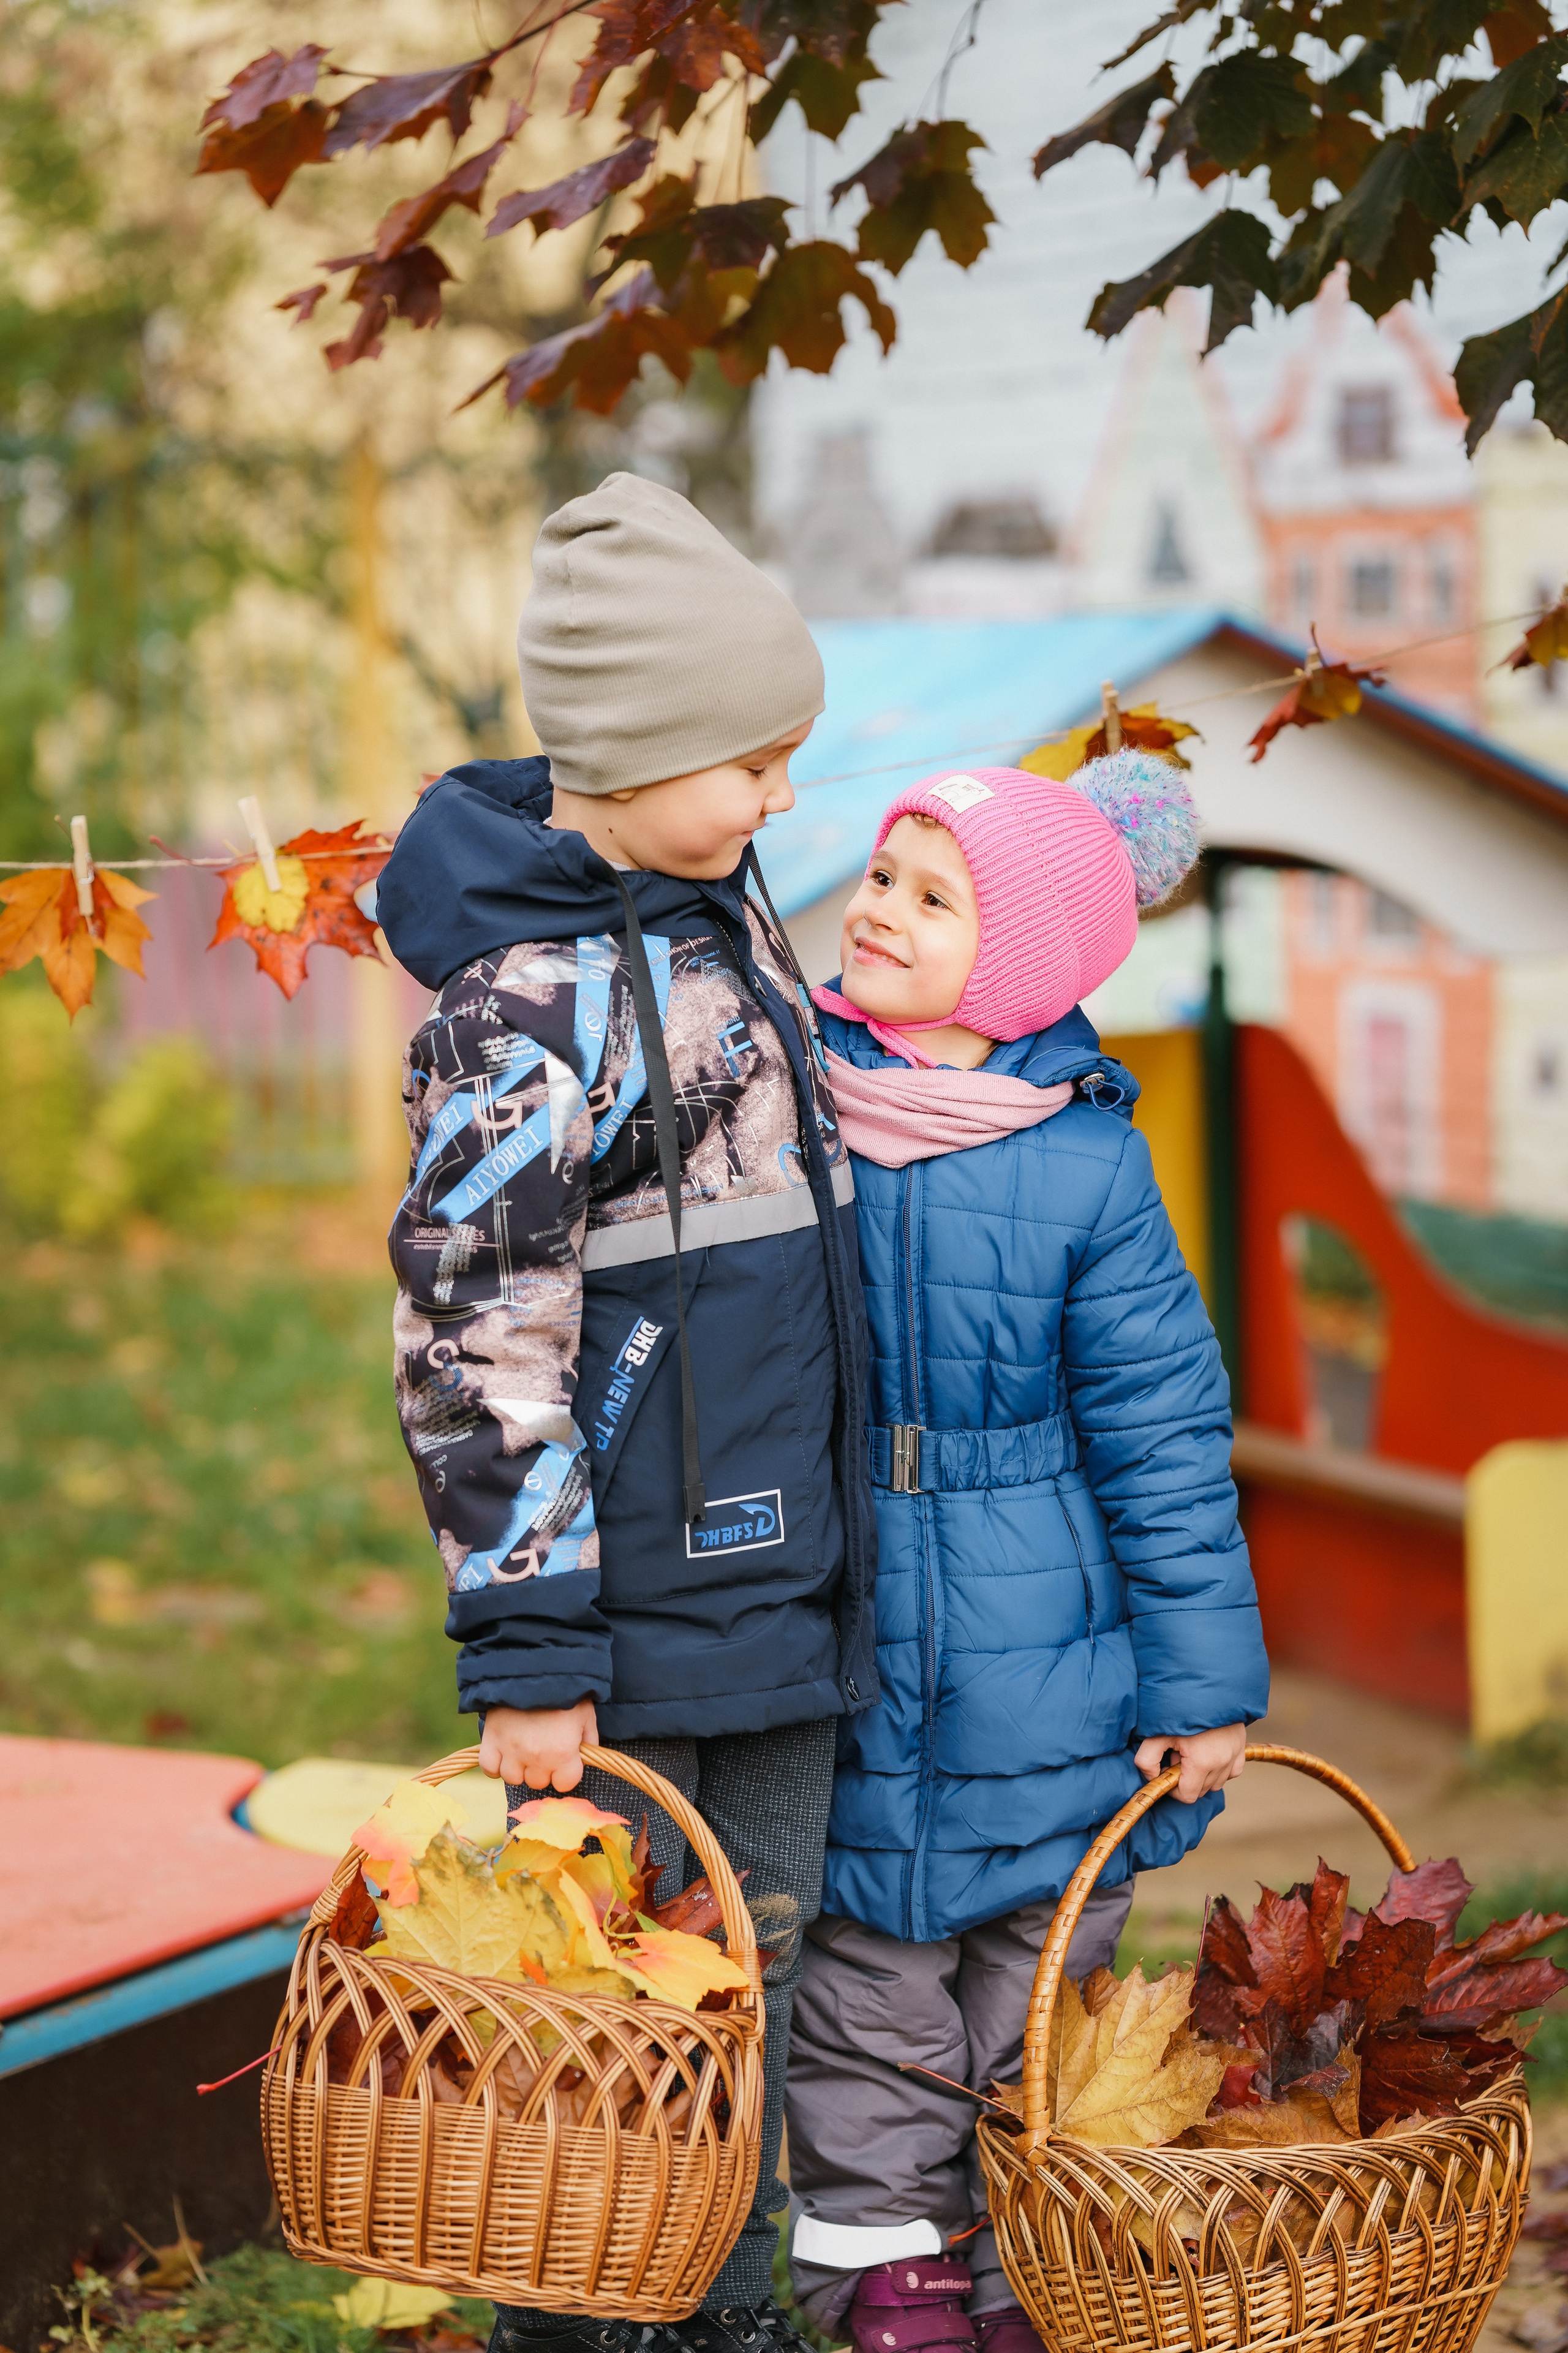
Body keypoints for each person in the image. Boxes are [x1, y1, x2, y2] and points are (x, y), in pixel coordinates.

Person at [376, 472, 878, 2353]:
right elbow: (476, 1336)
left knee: (755, 1969)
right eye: (751, 759)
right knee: (610, 2009)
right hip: (626, 1617)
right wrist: (527, 1643)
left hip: (784, 1582)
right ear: (638, 752)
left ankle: (726, 2312)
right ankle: (589, 2322)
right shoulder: (523, 1005)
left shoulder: (725, 921)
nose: (778, 794)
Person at [784, 757, 1270, 2353]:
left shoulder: (1085, 1162)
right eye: (879, 874)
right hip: (854, 1632)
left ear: (1022, 959)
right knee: (863, 1987)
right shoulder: (794, 1107)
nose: (878, 909)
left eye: (935, 894)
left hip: (1048, 1666)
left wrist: (1203, 1685)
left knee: (1030, 1995)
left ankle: (1023, 2276)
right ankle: (885, 2279)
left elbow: (1163, 1436)